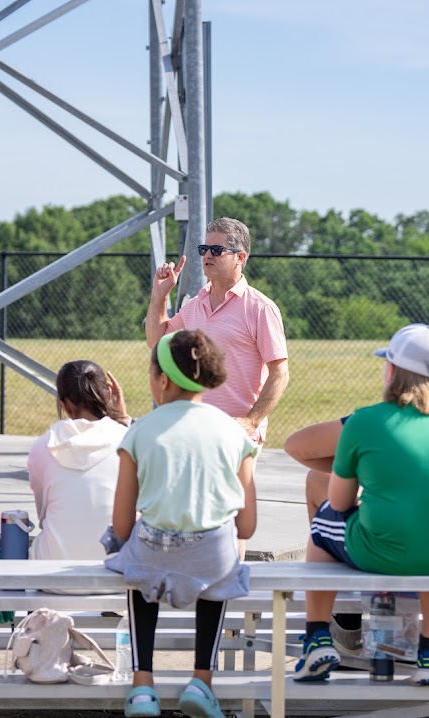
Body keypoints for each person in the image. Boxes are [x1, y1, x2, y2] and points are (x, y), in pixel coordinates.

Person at [292, 326, 429, 657]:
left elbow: (341, 502)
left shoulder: (366, 421)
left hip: (387, 554)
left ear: (391, 371)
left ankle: (319, 636)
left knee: (323, 524)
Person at [105, 330, 257, 718]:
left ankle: (143, 687)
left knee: (135, 566)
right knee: (221, 565)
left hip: (154, 551)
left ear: (164, 380)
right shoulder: (233, 432)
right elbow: (247, 526)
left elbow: (121, 524)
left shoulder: (140, 431)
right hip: (212, 556)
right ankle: (202, 681)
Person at [144, 217, 289, 446]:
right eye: (204, 249)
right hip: (193, 428)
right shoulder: (194, 305)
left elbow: (279, 373)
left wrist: (251, 421)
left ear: (240, 257)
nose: (207, 255)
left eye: (217, 250)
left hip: (235, 435)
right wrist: (159, 296)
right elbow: (156, 340)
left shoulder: (260, 308)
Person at [28, 360, 129, 564]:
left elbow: (43, 514)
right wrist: (123, 419)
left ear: (64, 405)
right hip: (116, 572)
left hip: (52, 576)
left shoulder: (43, 446)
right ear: (109, 394)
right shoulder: (130, 440)